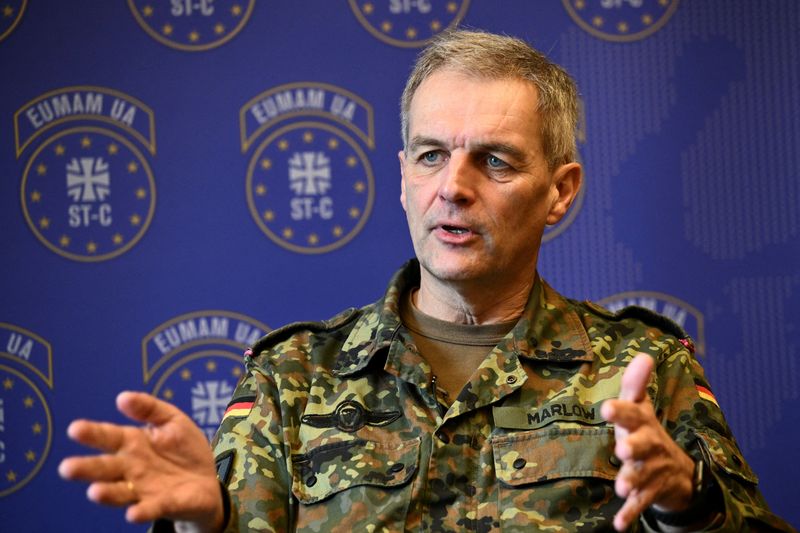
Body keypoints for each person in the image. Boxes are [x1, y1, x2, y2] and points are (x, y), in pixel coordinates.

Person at [59, 30, 793, 532]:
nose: (454, 187)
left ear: (561, 191)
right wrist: (204, 522)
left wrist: (688, 501)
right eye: (431, 154)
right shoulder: (293, 375)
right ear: (403, 175)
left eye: (495, 161)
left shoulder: (645, 368)